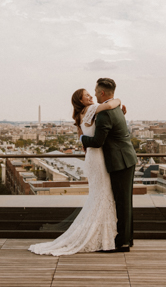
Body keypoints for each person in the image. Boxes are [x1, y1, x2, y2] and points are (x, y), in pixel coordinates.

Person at [29, 88, 124, 256]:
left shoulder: (82, 114)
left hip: (93, 158)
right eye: (87, 95)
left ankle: (101, 236)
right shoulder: (89, 110)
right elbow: (110, 106)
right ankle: (104, 237)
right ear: (81, 101)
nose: (91, 96)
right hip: (99, 158)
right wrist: (117, 100)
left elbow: (86, 139)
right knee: (103, 194)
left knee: (99, 195)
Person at [80, 78, 137, 252]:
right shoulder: (116, 106)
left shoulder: (105, 112)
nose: (94, 94)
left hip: (119, 161)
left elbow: (97, 141)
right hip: (127, 158)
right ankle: (127, 238)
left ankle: (123, 242)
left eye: (96, 91)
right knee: (125, 201)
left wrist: (83, 139)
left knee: (122, 202)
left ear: (102, 93)